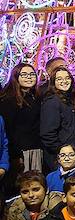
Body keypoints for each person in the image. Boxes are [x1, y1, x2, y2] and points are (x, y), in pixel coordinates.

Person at [0, 64, 43, 195]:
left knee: (35, 187)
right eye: (24, 74)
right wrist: (15, 155)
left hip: (34, 149)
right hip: (19, 153)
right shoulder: (8, 100)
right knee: (21, 188)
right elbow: (8, 130)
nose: (29, 77)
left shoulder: (35, 96)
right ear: (16, 77)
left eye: (32, 74)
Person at [39, 66, 75, 172]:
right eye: (59, 79)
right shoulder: (52, 102)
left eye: (67, 78)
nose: (64, 81)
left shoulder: (71, 100)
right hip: (59, 157)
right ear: (53, 82)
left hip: (74, 154)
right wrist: (61, 151)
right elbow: (47, 133)